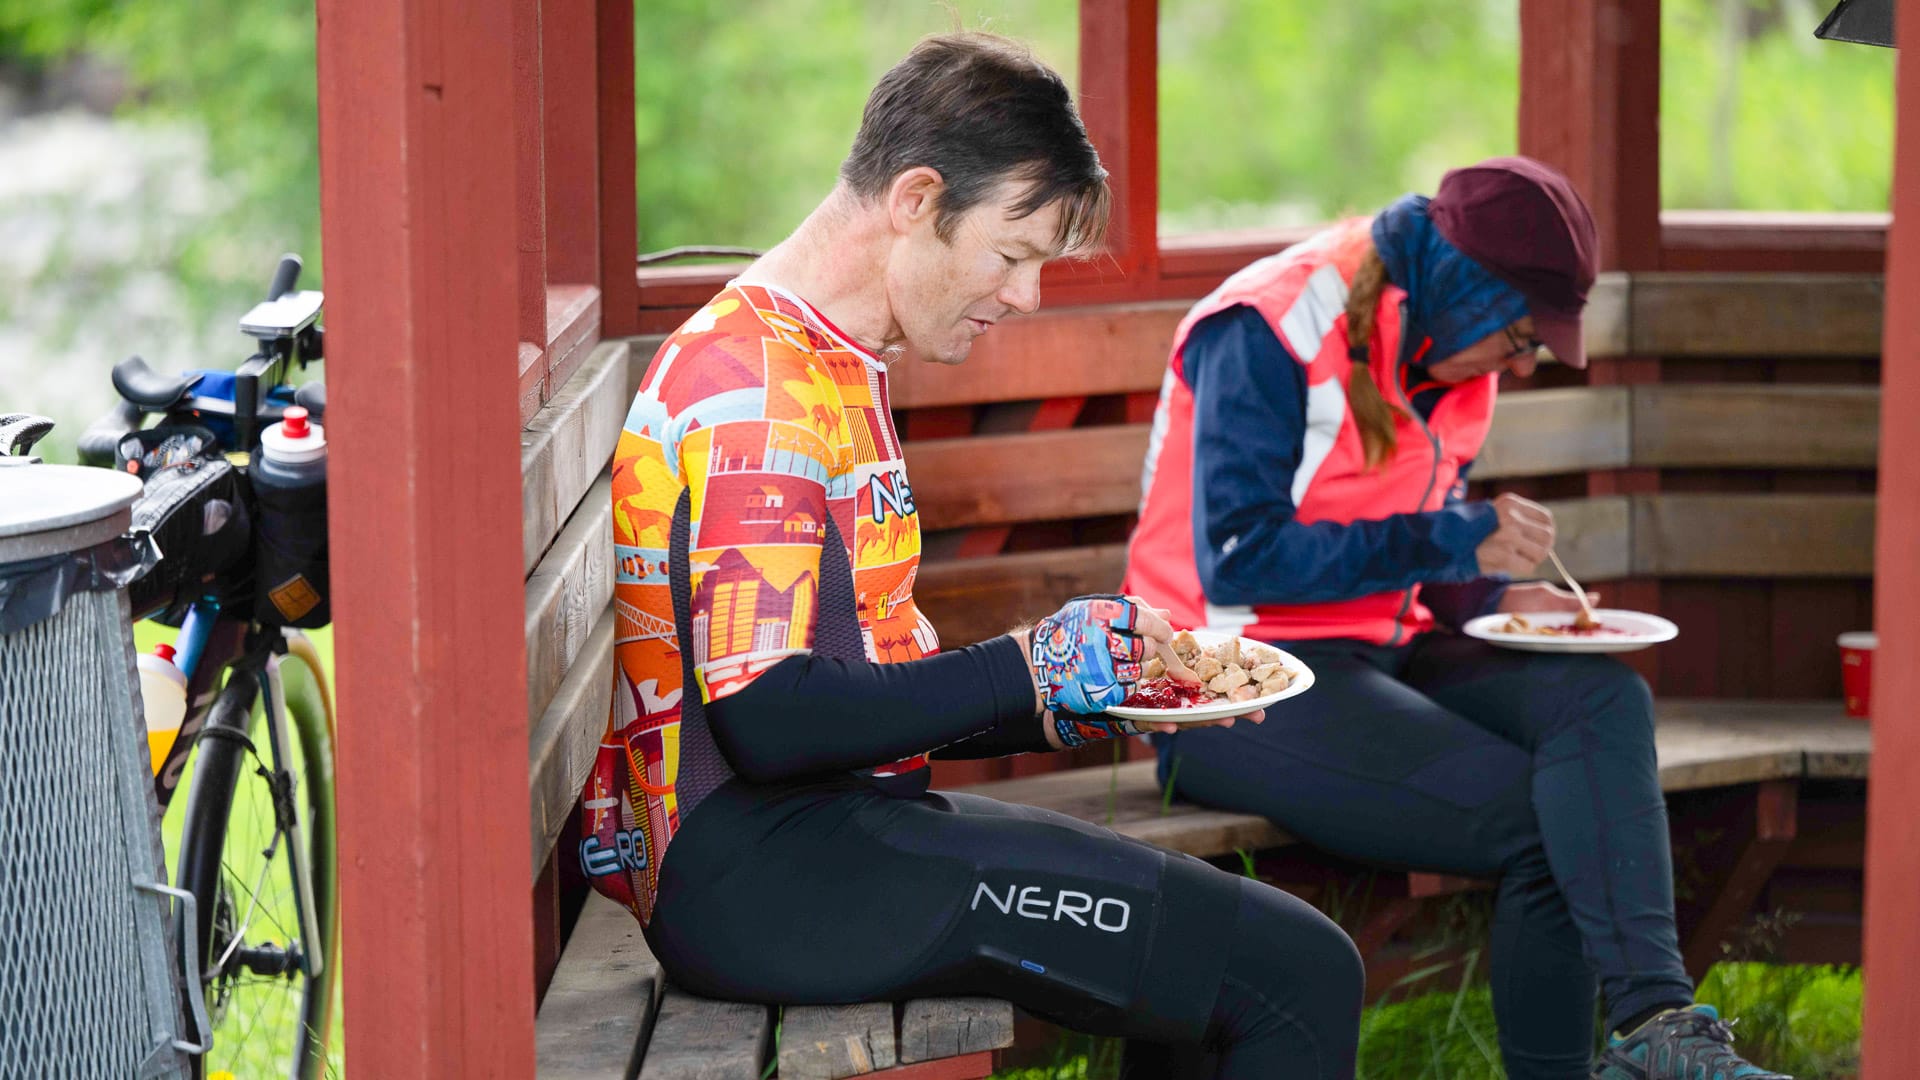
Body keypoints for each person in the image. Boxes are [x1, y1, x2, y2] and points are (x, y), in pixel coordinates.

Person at [579, 32, 1363, 1078]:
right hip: (765, 878)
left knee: (1207, 978)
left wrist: (1055, 694)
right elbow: (767, 718)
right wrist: (1022, 668)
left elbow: (842, 692)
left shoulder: (826, 353)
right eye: (1013, 252)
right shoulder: (757, 387)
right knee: (1300, 973)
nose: (1028, 295)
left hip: (807, 841)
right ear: (915, 198)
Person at [1122, 156, 1787, 1080]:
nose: (1522, 363)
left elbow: (1413, 555)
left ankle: (1659, 1028)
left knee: (1600, 699)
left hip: (1371, 653)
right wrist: (1454, 539)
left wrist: (1496, 595)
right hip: (1218, 677)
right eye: (1519, 337)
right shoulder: (1269, 326)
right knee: (1544, 821)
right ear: (1463, 287)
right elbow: (1240, 555)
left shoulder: (1447, 350)